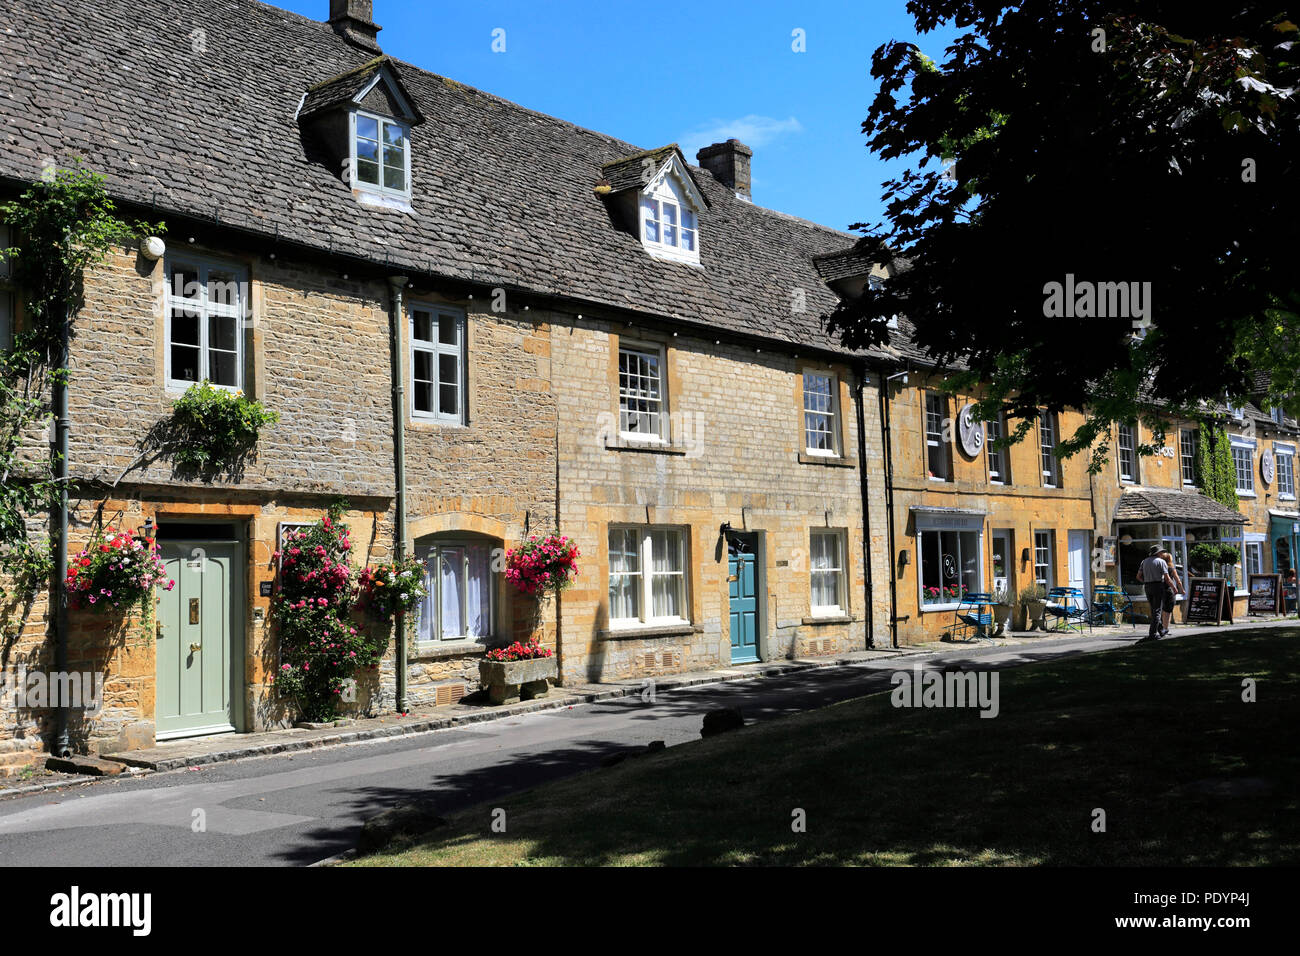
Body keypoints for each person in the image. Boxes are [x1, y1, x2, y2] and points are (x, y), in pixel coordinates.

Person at [1136, 546, 1175, 642]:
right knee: (1157, 611)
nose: (1162, 554)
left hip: (1147, 587)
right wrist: (1174, 588)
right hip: (1158, 586)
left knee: (1154, 609)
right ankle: (1152, 634)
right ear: (1158, 553)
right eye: (1161, 552)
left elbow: (1138, 576)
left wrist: (1146, 582)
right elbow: (1167, 578)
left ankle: (1162, 630)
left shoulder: (1144, 561)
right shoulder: (1161, 562)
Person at [1158, 550, 1182, 636]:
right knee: (1167, 610)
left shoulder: (1159, 568)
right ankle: (1165, 628)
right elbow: (1178, 580)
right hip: (1168, 590)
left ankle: (1162, 628)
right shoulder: (1171, 568)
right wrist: (1181, 590)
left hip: (1159, 590)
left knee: (1161, 609)